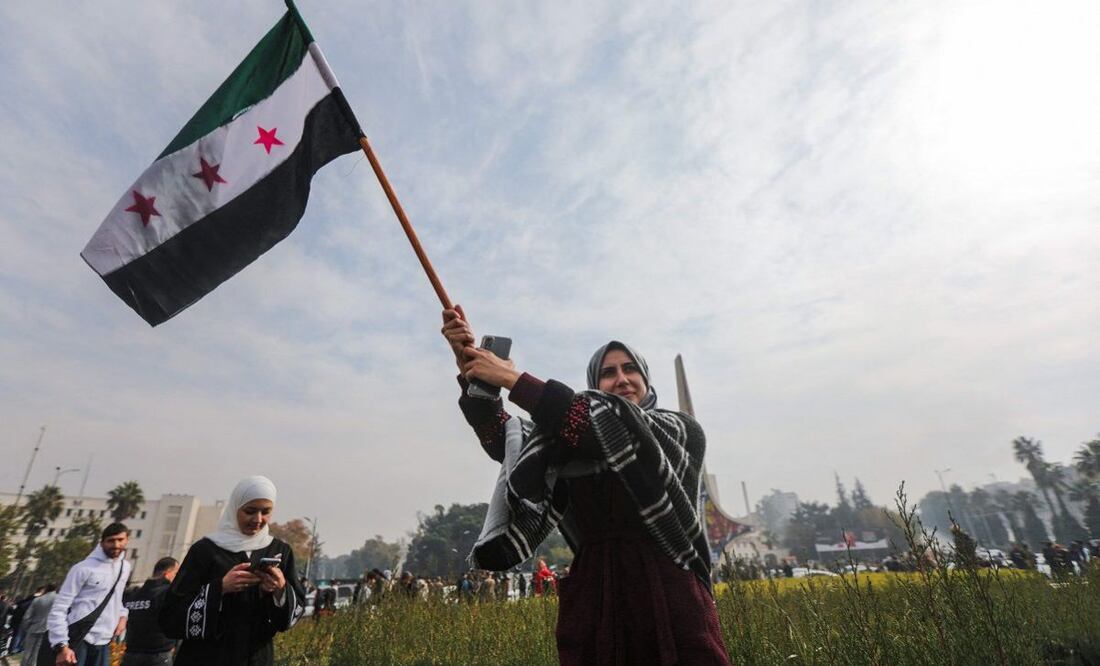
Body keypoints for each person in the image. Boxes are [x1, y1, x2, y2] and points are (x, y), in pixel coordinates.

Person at [442, 309, 731, 665]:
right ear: (595, 385)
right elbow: (504, 440)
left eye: (630, 369)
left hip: (670, 591)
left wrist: (511, 378)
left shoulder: (680, 431)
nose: (622, 379)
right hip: (594, 596)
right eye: (608, 373)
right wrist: (472, 371)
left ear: (646, 379)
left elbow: (606, 428)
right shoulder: (567, 439)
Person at [159, 476, 305, 666]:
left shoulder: (279, 551)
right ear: (235, 508)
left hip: (255, 657)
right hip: (206, 657)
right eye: (250, 511)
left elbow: (292, 615)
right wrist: (219, 588)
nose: (258, 519)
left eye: (266, 512)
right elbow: (171, 615)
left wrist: (280, 590)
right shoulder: (205, 550)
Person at [47, 523, 132, 666]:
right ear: (102, 543)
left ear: (127, 540)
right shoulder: (83, 569)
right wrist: (62, 645)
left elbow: (117, 599)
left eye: (120, 540)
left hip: (104, 640)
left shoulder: (125, 567)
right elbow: (59, 608)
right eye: (111, 541)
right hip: (78, 639)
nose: (116, 544)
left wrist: (123, 616)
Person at [120, 557, 178, 666]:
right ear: (167, 574)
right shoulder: (167, 593)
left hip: (131, 654)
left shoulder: (134, 594)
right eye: (176, 574)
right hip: (158, 655)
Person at [19, 583, 56, 666]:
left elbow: (26, 617)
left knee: (27, 653)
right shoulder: (58, 600)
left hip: (33, 628)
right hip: (47, 630)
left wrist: (26, 627)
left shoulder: (38, 599)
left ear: (46, 589)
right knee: (37, 654)